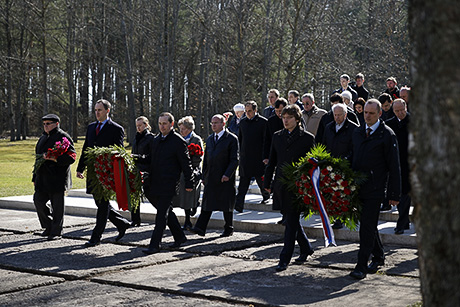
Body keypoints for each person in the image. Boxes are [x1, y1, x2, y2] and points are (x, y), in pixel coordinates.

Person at [349, 99, 401, 280]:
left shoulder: (387, 135)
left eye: (371, 113)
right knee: (369, 224)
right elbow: (352, 156)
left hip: (375, 188)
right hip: (358, 187)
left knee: (366, 226)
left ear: (379, 114)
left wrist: (394, 194)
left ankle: (361, 265)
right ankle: (378, 256)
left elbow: (394, 167)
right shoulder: (357, 132)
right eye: (365, 113)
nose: (367, 116)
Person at [264, 105, 315, 271]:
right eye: (283, 117)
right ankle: (306, 248)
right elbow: (272, 161)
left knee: (291, 220)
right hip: (280, 184)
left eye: (289, 117)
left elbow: (312, 164)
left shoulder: (307, 138)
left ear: (297, 119)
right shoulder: (277, 136)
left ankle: (284, 257)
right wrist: (267, 183)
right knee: (290, 219)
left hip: (297, 185)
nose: (285, 120)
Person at [76, 99, 131, 247]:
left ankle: (96, 237)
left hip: (106, 172)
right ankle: (122, 223)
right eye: (95, 110)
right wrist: (80, 168)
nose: (96, 113)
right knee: (100, 202)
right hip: (93, 172)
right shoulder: (91, 127)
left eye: (99, 110)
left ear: (107, 111)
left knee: (102, 204)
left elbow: (119, 150)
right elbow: (86, 148)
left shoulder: (116, 129)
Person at [142, 112, 194, 254]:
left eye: (164, 124)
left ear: (171, 124)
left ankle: (154, 245)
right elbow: (149, 159)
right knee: (166, 212)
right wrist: (135, 159)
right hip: (155, 182)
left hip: (169, 184)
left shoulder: (178, 141)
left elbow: (186, 164)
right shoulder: (156, 140)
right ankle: (180, 237)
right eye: (159, 124)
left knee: (161, 215)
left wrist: (190, 183)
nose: (162, 126)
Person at [190, 114, 239, 237]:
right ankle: (200, 228)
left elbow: (235, 159)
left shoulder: (231, 139)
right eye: (212, 123)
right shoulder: (210, 139)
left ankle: (229, 227)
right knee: (207, 202)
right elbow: (206, 159)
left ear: (223, 124)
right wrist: (203, 175)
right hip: (211, 176)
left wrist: (227, 174)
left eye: (216, 123)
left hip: (224, 176)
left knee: (226, 203)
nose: (213, 125)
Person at [33, 114, 76, 241]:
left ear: (56, 124)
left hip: (57, 177)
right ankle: (48, 226)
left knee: (57, 206)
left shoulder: (63, 137)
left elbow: (71, 157)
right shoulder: (42, 138)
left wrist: (55, 158)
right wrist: (35, 177)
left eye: (48, 123)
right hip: (42, 178)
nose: (45, 126)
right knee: (38, 201)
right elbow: (37, 160)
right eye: (44, 124)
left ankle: (56, 231)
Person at [322, 104, 359, 229]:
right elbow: (324, 144)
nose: (337, 118)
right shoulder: (329, 127)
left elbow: (355, 148)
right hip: (331, 166)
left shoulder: (353, 128)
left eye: (339, 115)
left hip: (346, 166)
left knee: (343, 193)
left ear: (345, 115)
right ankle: (336, 217)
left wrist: (346, 160)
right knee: (332, 193)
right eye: (335, 115)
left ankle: (343, 217)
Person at [235, 101, 270, 212]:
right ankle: (238, 205)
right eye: (246, 111)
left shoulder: (263, 122)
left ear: (255, 110)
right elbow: (240, 139)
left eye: (250, 111)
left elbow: (266, 140)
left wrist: (266, 156)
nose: (248, 113)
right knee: (243, 184)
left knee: (261, 181)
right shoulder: (243, 122)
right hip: (245, 157)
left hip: (259, 157)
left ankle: (266, 196)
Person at [386, 99, 411, 234]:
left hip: (411, 163)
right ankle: (403, 222)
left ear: (406, 107)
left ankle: (403, 222)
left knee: (406, 193)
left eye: (402, 110)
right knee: (401, 193)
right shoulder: (389, 124)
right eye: (397, 111)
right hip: (396, 162)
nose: (400, 113)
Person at [174, 116, 203, 230]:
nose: (181, 131)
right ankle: (187, 217)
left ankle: (188, 219)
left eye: (183, 129)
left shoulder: (196, 139)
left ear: (190, 128)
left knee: (190, 195)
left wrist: (189, 161)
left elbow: (199, 156)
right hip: (180, 171)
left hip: (192, 171)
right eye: (180, 129)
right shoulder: (178, 139)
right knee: (184, 197)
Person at [130, 116, 155, 227]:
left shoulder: (151, 138)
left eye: (140, 125)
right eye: (137, 126)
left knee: (150, 194)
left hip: (147, 170)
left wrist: (137, 157)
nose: (138, 128)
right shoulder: (136, 137)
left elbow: (152, 156)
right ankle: (135, 219)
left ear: (146, 125)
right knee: (134, 195)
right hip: (136, 170)